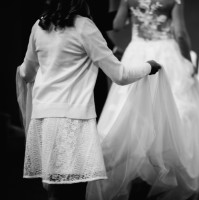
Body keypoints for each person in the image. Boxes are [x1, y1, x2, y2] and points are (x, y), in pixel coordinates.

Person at [16, 0, 161, 199]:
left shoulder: (39, 25)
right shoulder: (84, 26)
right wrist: (149, 67)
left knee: (55, 190)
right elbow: (120, 75)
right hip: (73, 120)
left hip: (43, 120)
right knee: (74, 191)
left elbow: (26, 73)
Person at [86, 0, 199, 200]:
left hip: (137, 52)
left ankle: (132, 170)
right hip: (166, 53)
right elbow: (179, 33)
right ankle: (169, 169)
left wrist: (125, 10)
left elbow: (117, 25)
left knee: (129, 109)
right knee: (174, 108)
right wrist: (188, 60)